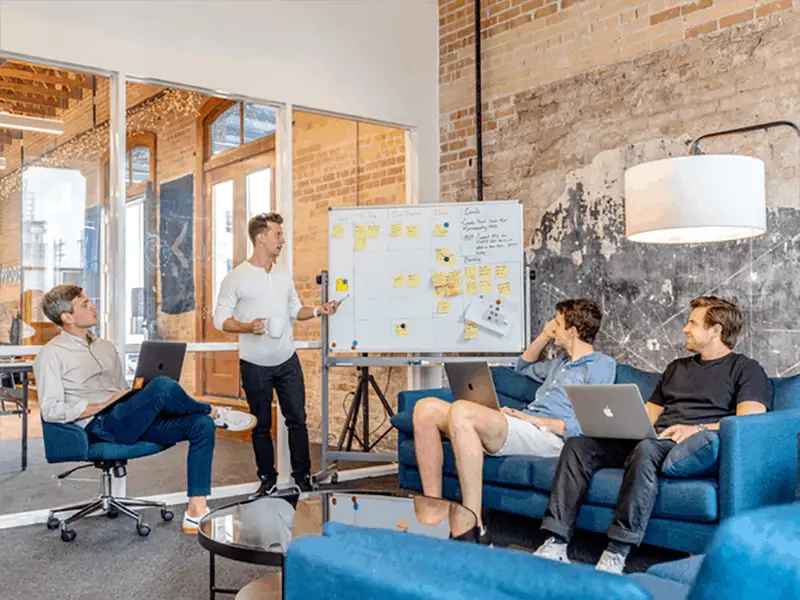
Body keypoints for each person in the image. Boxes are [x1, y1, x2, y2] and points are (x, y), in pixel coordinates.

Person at [534, 296, 772, 574]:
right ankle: (556, 541)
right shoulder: (677, 368)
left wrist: (696, 429)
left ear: (716, 330)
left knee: (646, 448)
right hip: (653, 438)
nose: (684, 328)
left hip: (689, 444)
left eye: (692, 323)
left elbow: (749, 420)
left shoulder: (746, 369)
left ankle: (617, 550)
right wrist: (614, 425)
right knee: (578, 445)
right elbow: (648, 415)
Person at [34, 285, 256, 534]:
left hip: (125, 418)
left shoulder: (105, 347)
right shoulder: (50, 354)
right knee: (162, 387)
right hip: (98, 426)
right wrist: (99, 405)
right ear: (67, 317)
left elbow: (120, 389)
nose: (93, 306)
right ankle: (213, 412)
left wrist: (132, 394)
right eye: (85, 304)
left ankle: (196, 510)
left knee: (199, 425)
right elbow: (51, 410)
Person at [413, 298, 616, 543]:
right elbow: (521, 367)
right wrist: (543, 336)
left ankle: (474, 523)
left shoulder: (601, 366)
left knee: (462, 411)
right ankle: (434, 506)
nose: (553, 327)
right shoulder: (559, 364)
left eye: (557, 323)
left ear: (572, 331)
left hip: (551, 437)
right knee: (426, 409)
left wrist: (535, 420)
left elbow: (589, 423)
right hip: (525, 426)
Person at [214, 212, 338, 496]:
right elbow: (219, 320)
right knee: (261, 423)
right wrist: (247, 326)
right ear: (261, 237)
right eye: (277, 235)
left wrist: (319, 310)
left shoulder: (282, 276)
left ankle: (302, 477)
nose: (282, 240)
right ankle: (267, 479)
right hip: (255, 365)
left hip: (287, 361)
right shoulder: (236, 278)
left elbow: (296, 310)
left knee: (297, 419)